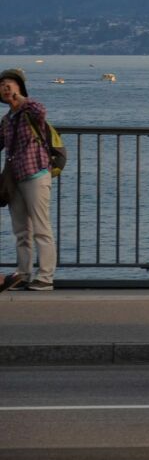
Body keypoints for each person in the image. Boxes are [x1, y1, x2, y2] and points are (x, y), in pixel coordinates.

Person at [0, 68, 55, 292]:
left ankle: (45, 277)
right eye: (2, 85)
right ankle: (23, 274)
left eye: (9, 83)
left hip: (36, 174)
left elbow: (40, 110)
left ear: (19, 87)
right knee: (22, 231)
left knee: (42, 228)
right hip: (15, 179)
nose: (5, 87)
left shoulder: (30, 111)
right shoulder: (7, 119)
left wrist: (20, 99)